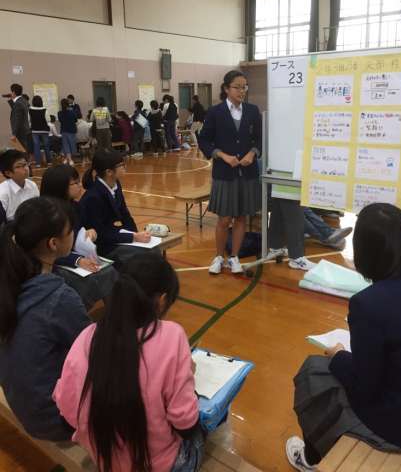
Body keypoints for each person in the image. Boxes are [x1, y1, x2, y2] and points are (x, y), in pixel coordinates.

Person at [287, 203, 401, 471]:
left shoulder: (368, 304)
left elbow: (364, 387)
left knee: (314, 371)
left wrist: (338, 356)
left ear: (364, 252)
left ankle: (311, 458)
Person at [54, 253, 204, 472]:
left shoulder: (88, 335)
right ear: (162, 300)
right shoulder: (172, 336)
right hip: (160, 464)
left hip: (104, 460)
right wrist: (188, 380)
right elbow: (186, 424)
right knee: (207, 419)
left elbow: (67, 418)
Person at [0, 197, 90, 441]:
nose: (73, 234)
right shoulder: (59, 298)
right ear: (53, 244)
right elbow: (95, 352)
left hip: (25, 404)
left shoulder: (10, 278)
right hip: (54, 418)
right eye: (70, 231)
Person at [199, 70, 261, 275]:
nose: (242, 91)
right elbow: (204, 140)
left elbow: (259, 139)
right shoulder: (215, 112)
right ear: (226, 89)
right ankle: (219, 257)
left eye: (244, 87)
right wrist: (222, 155)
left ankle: (234, 257)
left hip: (247, 172)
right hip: (224, 173)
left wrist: (253, 153)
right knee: (224, 219)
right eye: (237, 87)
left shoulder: (252, 111)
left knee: (241, 217)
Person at [40, 165, 119, 310]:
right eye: (75, 183)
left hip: (76, 255)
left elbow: (80, 231)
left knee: (109, 271)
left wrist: (90, 232)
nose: (80, 186)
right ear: (60, 186)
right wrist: (77, 260)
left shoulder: (75, 206)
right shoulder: (46, 214)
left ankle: (114, 314)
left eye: (79, 181)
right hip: (54, 263)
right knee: (83, 283)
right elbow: (45, 252)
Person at [79, 150, 152, 266]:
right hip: (101, 245)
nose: (125, 167)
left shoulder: (115, 184)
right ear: (109, 172)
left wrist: (136, 234)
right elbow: (100, 234)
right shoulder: (93, 197)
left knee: (150, 249)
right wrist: (132, 237)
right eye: (121, 165)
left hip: (113, 236)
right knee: (144, 255)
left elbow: (125, 214)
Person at [0, 149, 39, 224]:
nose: (25, 168)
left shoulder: (32, 185)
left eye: (25, 164)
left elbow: (38, 208)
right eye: (18, 166)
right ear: (8, 173)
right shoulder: (2, 192)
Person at [3, 83, 31, 152]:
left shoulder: (18, 103)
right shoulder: (24, 100)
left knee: (21, 150)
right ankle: (26, 158)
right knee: (25, 148)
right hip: (26, 129)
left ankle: (25, 159)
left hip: (20, 131)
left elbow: (17, 119)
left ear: (13, 92)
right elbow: (17, 110)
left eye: (11, 92)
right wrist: (12, 99)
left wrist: (14, 134)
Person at [29, 95, 52, 167]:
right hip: (44, 130)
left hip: (34, 130)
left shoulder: (30, 109)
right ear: (41, 102)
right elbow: (48, 120)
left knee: (36, 146)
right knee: (46, 146)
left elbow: (28, 120)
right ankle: (49, 162)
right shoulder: (44, 109)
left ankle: (38, 163)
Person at [58, 98, 78, 166]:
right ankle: (70, 160)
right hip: (72, 130)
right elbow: (76, 120)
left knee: (66, 145)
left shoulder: (59, 113)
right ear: (68, 104)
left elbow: (60, 120)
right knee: (71, 145)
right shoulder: (72, 112)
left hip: (64, 130)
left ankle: (67, 158)